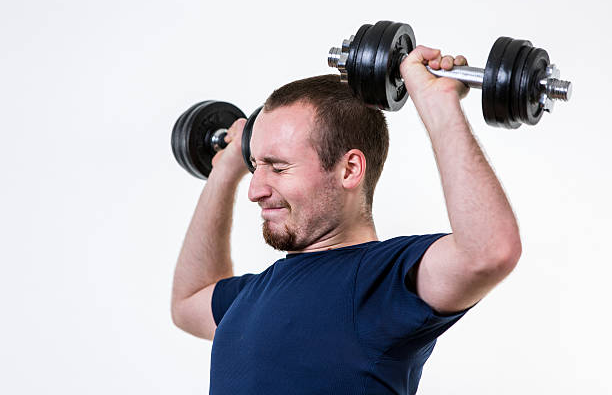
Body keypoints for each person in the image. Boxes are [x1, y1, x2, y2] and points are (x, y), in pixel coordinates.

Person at [170, 45, 522, 394]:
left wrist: (438, 103)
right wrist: (225, 171)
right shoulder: (253, 294)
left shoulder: (381, 284)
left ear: (349, 169)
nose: (255, 190)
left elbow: (488, 252)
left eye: (278, 167)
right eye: (255, 166)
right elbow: (188, 302)